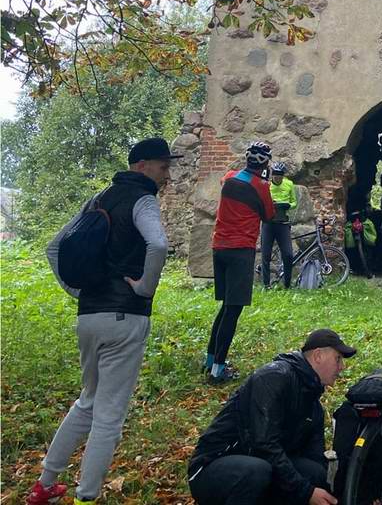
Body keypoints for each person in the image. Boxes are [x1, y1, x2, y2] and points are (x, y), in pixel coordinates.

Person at [26, 136, 176, 505]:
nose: (167, 174)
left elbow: (53, 247)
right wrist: (144, 288)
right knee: (108, 416)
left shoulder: (98, 199)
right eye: (162, 166)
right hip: (125, 318)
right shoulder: (143, 199)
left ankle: (45, 486)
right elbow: (158, 245)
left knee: (88, 402)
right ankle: (86, 498)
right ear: (141, 166)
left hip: (89, 317)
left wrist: (77, 292)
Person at [188, 328, 357, 505]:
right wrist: (306, 492)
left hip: (263, 465)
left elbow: (314, 458)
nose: (341, 367)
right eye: (338, 359)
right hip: (212, 467)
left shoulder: (313, 406)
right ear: (318, 356)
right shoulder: (274, 378)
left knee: (314, 473)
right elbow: (263, 444)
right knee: (257, 471)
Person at [205, 141, 275, 384]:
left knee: (225, 306)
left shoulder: (229, 177)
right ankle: (217, 370)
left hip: (219, 247)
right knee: (233, 311)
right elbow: (269, 215)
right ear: (266, 162)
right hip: (240, 250)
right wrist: (265, 178)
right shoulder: (261, 186)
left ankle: (209, 359)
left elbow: (232, 179)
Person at [260, 162, 297, 288]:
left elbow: (294, 202)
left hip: (283, 223)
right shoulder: (267, 185)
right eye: (275, 174)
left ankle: (287, 284)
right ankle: (266, 284)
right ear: (272, 175)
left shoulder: (289, 184)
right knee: (266, 254)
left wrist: (288, 205)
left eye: (280, 175)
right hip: (268, 223)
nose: (277, 177)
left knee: (288, 254)